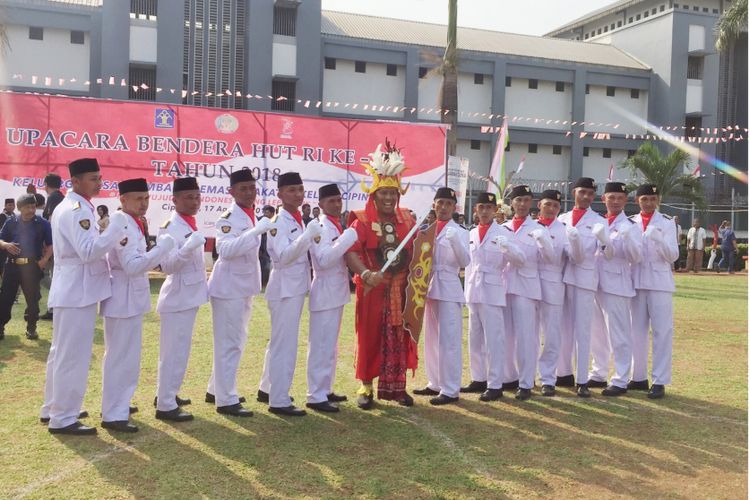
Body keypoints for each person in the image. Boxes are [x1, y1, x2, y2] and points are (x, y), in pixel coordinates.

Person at [41, 158, 128, 435]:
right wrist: (115, 228)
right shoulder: (76, 209)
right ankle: (64, 418)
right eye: (93, 178)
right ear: (75, 181)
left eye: (99, 177)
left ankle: (53, 407)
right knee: (73, 356)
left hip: (75, 287)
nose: (99, 182)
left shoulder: (77, 207)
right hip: (78, 289)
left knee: (62, 353)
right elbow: (89, 252)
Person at [344, 141, 418, 409]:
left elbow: (419, 253)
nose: (388, 198)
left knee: (400, 337)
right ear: (373, 195)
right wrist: (364, 273)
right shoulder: (361, 220)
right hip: (372, 289)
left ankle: (397, 387)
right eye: (383, 193)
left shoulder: (409, 221)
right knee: (369, 336)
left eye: (392, 194)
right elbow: (350, 251)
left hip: (401, 291)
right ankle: (365, 386)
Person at [99, 178, 175, 433]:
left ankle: (118, 403)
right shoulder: (122, 224)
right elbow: (132, 266)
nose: (144, 203)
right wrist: (161, 250)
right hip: (123, 296)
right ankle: (113, 413)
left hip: (130, 297)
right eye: (138, 198)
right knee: (121, 357)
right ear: (122, 199)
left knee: (126, 356)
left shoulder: (134, 222)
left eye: (146, 198)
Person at [204, 170, 273, 417]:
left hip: (242, 287)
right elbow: (225, 250)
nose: (249, 192)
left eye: (252, 188)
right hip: (228, 288)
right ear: (231, 192)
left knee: (237, 341)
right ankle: (226, 399)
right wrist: (255, 232)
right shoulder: (229, 216)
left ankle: (216, 389)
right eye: (243, 188)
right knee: (229, 344)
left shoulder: (249, 214)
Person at [257, 172, 320, 417]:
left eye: (300, 189)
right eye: (291, 190)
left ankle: (267, 388)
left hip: (293, 287)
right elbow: (283, 256)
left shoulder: (297, 219)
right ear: (280, 194)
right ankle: (280, 399)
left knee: (278, 341)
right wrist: (307, 236)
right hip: (284, 288)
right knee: (285, 344)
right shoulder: (278, 222)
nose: (297, 194)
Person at [154, 177, 208, 422]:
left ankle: (168, 394)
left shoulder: (190, 223)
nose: (195, 201)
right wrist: (187, 247)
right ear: (175, 200)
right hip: (177, 298)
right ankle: (165, 405)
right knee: (173, 353)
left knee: (180, 351)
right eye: (189, 197)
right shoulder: (169, 226)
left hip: (188, 296)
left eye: (197, 196)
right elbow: (167, 266)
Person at [557, 177, 613, 398]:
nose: (586, 197)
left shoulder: (599, 221)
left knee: (583, 329)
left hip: (584, 279)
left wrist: (604, 238)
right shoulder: (562, 218)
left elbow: (608, 254)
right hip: (562, 277)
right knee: (563, 328)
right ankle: (563, 373)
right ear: (573, 193)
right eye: (583, 192)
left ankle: (582, 380)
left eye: (590, 193)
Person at [414, 188, 470, 406]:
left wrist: (455, 240)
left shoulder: (461, 231)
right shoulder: (428, 230)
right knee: (431, 339)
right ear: (434, 205)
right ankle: (435, 382)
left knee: (449, 340)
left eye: (448, 203)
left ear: (454, 207)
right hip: (429, 287)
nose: (444, 207)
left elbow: (465, 262)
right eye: (440, 203)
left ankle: (451, 388)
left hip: (448, 286)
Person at [461, 192, 520, 401]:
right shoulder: (471, 233)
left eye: (489, 207)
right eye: (481, 207)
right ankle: (479, 378)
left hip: (493, 289)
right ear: (476, 209)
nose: (485, 211)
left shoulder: (503, 232)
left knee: (494, 339)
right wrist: (466, 292)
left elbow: (518, 260)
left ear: (495, 210)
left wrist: (508, 246)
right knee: (474, 338)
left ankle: (496, 383)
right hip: (473, 290)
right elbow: (469, 265)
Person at [306, 183, 358, 413]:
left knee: (331, 345)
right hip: (324, 289)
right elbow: (325, 259)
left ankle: (325, 389)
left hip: (336, 291)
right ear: (321, 205)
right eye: (331, 201)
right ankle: (315, 394)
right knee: (320, 345)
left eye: (339, 200)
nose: (336, 204)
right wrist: (347, 238)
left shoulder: (336, 225)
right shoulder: (319, 227)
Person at [587, 183, 642, 397]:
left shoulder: (630, 225)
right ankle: (599, 372)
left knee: (618, 332)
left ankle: (620, 378)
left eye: (620, 197)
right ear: (604, 199)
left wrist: (626, 239)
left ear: (626, 200)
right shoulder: (598, 222)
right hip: (594, 281)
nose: (616, 201)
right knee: (597, 332)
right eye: (612, 197)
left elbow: (636, 257)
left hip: (617, 283)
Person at [502, 185, 554, 400]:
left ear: (532, 202)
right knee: (506, 336)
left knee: (526, 337)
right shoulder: (502, 227)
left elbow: (549, 258)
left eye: (526, 200)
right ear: (512, 203)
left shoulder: (539, 228)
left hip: (527, 286)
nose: (522, 204)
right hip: (504, 285)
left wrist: (543, 241)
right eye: (518, 200)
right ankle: (509, 377)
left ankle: (526, 381)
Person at [629, 184, 678, 399]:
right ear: (637, 200)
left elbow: (673, 256)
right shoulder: (630, 222)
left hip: (659, 283)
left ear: (657, 199)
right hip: (637, 282)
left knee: (662, 332)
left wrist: (659, 241)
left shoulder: (667, 223)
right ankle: (638, 376)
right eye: (644, 199)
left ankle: (659, 380)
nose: (648, 202)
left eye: (652, 198)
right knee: (636, 332)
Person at [0, 194, 52, 340]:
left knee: (33, 299)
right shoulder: (11, 222)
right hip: (12, 266)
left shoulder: (42, 223)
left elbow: (50, 244)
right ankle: (0, 327)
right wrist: (6, 245)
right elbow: (1, 238)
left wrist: (44, 261)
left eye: (33, 206)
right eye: (27, 207)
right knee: (5, 298)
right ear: (19, 208)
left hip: (31, 267)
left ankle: (31, 328)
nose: (31, 210)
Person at [535, 190, 569, 397]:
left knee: (551, 333)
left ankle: (548, 378)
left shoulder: (564, 229)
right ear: (540, 204)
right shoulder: (528, 227)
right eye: (548, 204)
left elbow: (567, 256)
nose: (551, 209)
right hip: (528, 283)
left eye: (556, 206)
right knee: (527, 333)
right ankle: (525, 376)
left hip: (553, 282)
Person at [40, 173, 65, 321]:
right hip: (57, 244)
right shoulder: (61, 197)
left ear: (46, 184)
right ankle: (53, 307)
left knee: (46, 276)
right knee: (51, 276)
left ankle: (57, 304)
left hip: (53, 244)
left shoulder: (54, 197)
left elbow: (50, 221)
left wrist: (47, 244)